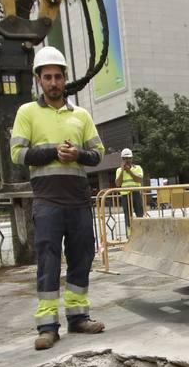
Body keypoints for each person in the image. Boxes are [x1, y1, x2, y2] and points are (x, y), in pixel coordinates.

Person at [10, 46, 106, 350]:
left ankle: (78, 317)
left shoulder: (81, 116)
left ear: (65, 79)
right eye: (47, 77)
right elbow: (17, 154)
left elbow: (99, 155)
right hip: (48, 201)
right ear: (39, 80)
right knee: (48, 262)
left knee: (82, 258)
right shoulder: (27, 113)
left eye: (58, 77)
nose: (53, 82)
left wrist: (78, 154)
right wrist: (54, 152)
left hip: (78, 201)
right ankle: (48, 325)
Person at [115, 148, 145, 224]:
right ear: (122, 159)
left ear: (132, 158)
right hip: (125, 195)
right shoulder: (118, 170)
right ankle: (129, 234)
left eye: (129, 158)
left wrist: (129, 171)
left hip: (136, 193)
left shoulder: (137, 168)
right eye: (125, 158)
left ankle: (141, 232)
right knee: (128, 216)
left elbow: (139, 180)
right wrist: (122, 170)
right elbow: (118, 184)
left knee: (140, 214)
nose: (127, 160)